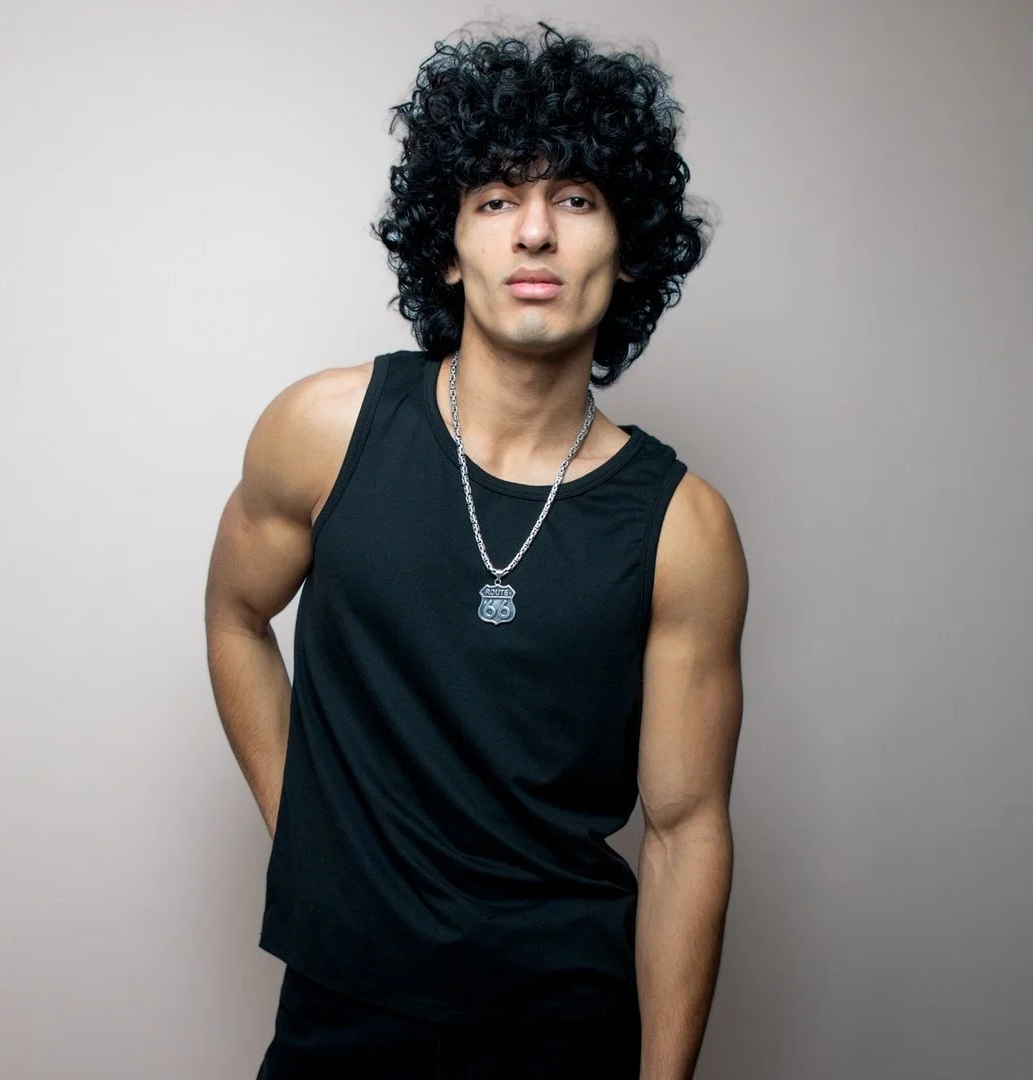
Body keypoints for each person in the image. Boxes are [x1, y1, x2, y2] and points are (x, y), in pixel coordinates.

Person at [204, 20, 747, 1080]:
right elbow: (234, 616)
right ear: (449, 250)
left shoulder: (684, 527)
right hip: (342, 1012)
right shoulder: (324, 431)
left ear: (626, 248)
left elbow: (687, 833)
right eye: (497, 199)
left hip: (565, 1027)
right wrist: (306, 828)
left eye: (576, 199)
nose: (534, 232)